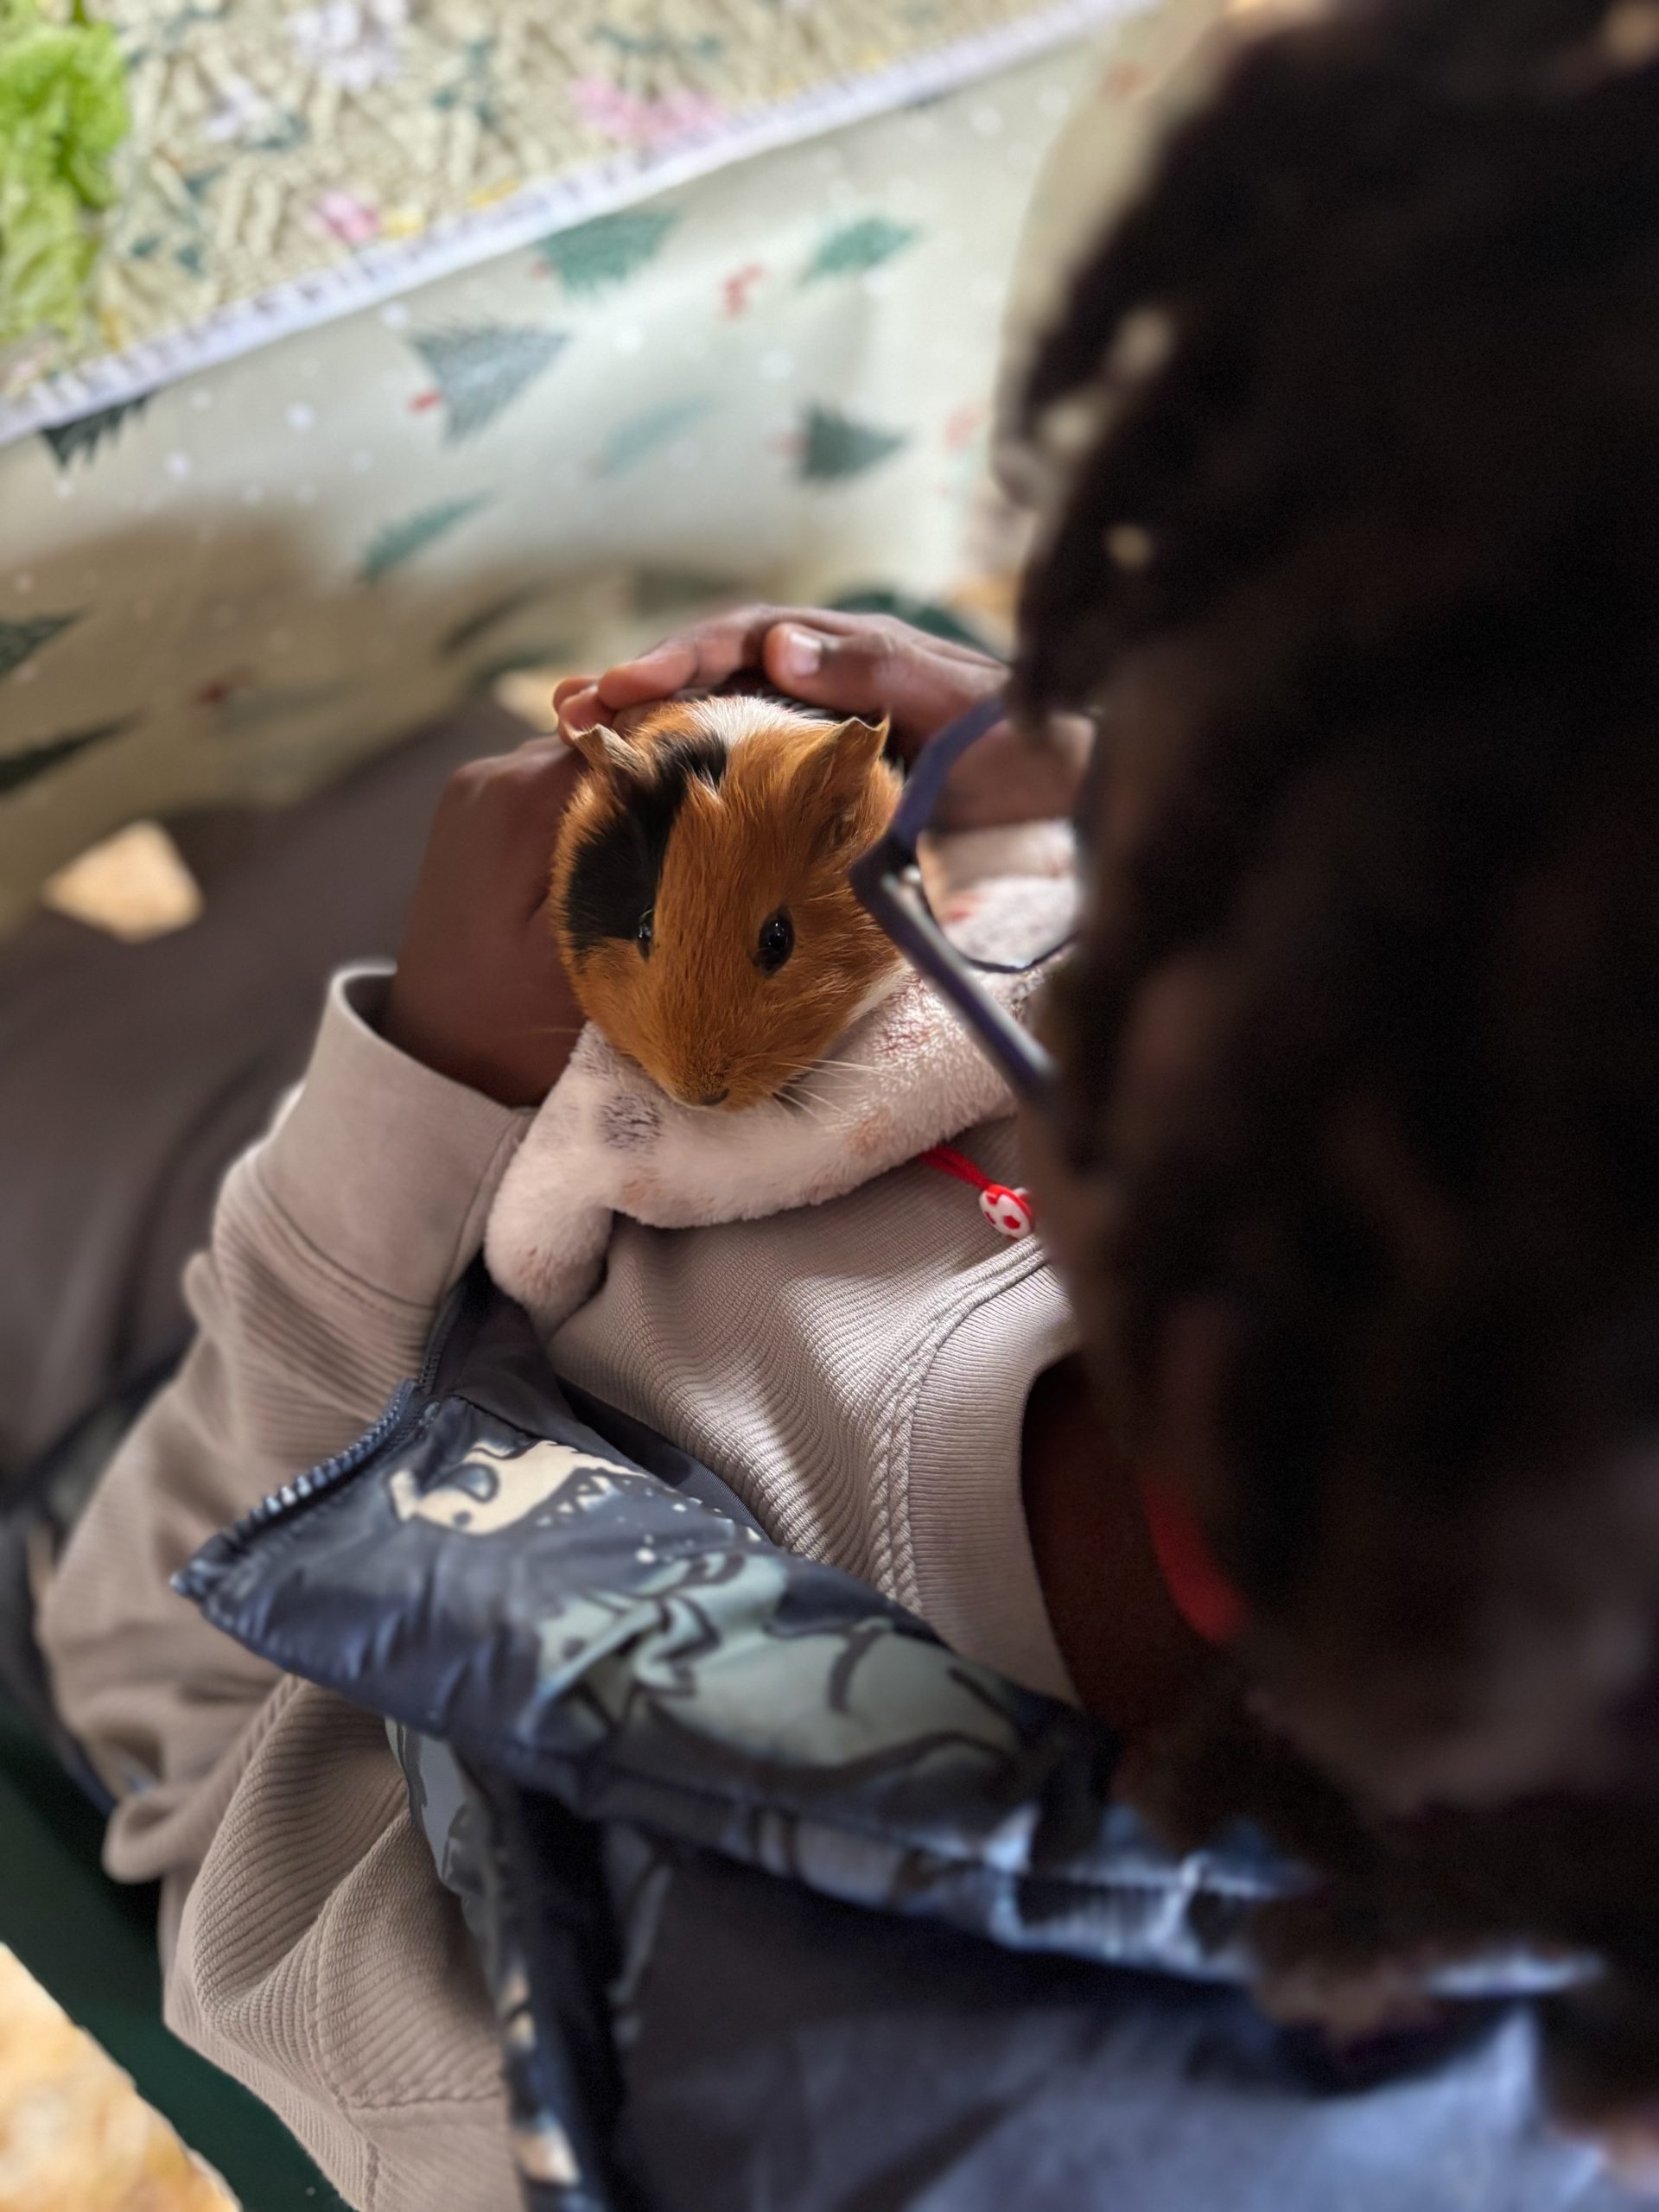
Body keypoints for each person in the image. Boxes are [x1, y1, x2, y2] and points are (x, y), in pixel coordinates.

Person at [38, 0, 1659, 2201]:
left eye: (1114, 929)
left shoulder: (716, 2055)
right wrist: (1063, 774)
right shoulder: (1499, 1326)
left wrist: (409, 1112)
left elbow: (175, 1706)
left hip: (206, 1457)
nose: (1044, 831)